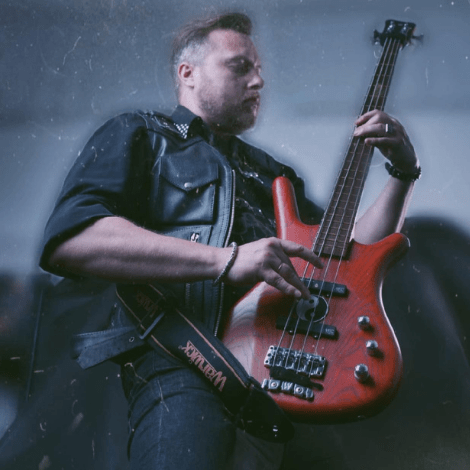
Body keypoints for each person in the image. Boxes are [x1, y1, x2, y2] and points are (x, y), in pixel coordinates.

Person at [39, 12, 420, 470]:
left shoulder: (273, 172)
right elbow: (74, 238)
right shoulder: (140, 133)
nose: (258, 81)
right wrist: (225, 259)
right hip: (183, 364)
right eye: (240, 66)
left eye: (259, 70)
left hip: (272, 379)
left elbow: (343, 257)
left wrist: (403, 171)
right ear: (188, 73)